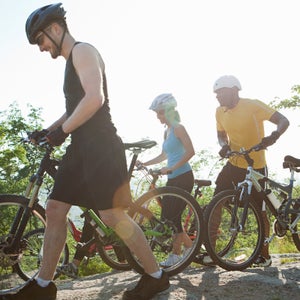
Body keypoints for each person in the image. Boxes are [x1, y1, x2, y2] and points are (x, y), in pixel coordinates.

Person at [2, 3, 170, 299]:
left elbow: (95, 99)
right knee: (54, 209)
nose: (41, 48)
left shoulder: (83, 51)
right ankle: (43, 285)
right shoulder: (71, 62)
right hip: (80, 147)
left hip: (101, 146)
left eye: (40, 40)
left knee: (112, 216)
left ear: (55, 29)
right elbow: (75, 109)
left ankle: (156, 276)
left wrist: (60, 133)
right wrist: (49, 130)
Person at [199, 75, 289, 267]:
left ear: (234, 90)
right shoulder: (219, 111)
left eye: (220, 93)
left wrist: (273, 137)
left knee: (260, 210)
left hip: (256, 166)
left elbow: (283, 120)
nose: (217, 98)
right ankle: (211, 253)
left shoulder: (253, 106)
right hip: (233, 164)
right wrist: (223, 145)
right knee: (217, 202)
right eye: (216, 94)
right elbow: (221, 134)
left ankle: (263, 256)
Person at [136, 93, 195, 267]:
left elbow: (191, 151)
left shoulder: (179, 128)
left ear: (169, 111)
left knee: (173, 217)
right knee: (169, 217)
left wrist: (172, 168)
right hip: (172, 179)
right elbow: (164, 155)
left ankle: (176, 255)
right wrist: (145, 163)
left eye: (160, 112)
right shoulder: (167, 131)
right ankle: (190, 248)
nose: (158, 116)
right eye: (157, 113)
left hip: (183, 177)